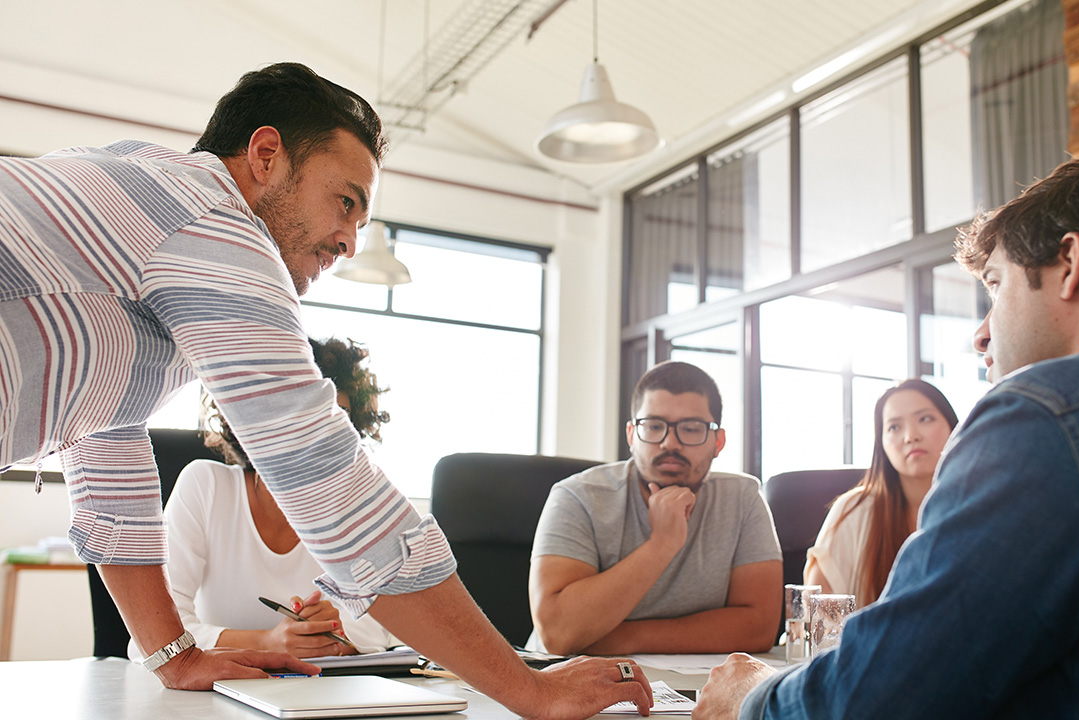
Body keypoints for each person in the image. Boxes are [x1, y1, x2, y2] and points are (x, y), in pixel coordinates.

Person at [0, 62, 653, 718]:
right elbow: (331, 487)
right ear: (265, 156)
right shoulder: (215, 223)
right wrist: (530, 690)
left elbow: (106, 449)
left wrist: (176, 655)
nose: (348, 241)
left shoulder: (151, 213)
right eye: (345, 202)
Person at [693, 155, 1079, 719]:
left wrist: (751, 697)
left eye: (995, 285)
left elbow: (882, 696)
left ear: (1070, 262)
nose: (981, 333)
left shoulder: (1041, 414)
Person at [126, 337, 398, 662]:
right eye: (306, 414)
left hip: (312, 696)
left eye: (338, 419)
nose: (324, 433)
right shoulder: (205, 486)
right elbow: (153, 638)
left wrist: (336, 631)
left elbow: (384, 629)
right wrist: (268, 642)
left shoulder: (355, 508)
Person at [529, 361, 783, 655]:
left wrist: (626, 639)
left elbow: (758, 627)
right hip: (569, 685)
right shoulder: (577, 496)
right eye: (653, 426)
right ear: (631, 436)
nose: (669, 443)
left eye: (691, 428)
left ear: (718, 441)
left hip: (695, 687)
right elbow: (558, 633)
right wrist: (662, 544)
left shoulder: (743, 498)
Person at [803, 379, 958, 603]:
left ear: (954, 428)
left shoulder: (979, 504)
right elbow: (821, 622)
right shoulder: (854, 510)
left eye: (925, 419)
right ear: (881, 443)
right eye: (894, 427)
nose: (911, 436)